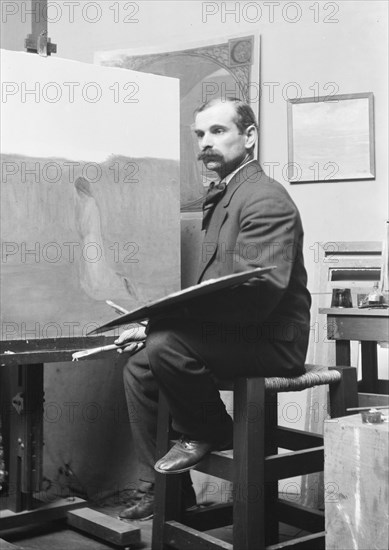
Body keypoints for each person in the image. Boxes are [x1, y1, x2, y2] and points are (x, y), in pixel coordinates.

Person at [117, 97, 311, 520]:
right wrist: (149, 325)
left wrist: (160, 325)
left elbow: (257, 294)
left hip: (273, 341)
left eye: (218, 131)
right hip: (240, 334)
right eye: (200, 134)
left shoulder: (264, 198)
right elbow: (217, 291)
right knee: (141, 364)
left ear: (250, 137)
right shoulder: (227, 195)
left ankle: (209, 431)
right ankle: (169, 489)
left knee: (166, 343)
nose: (206, 142)